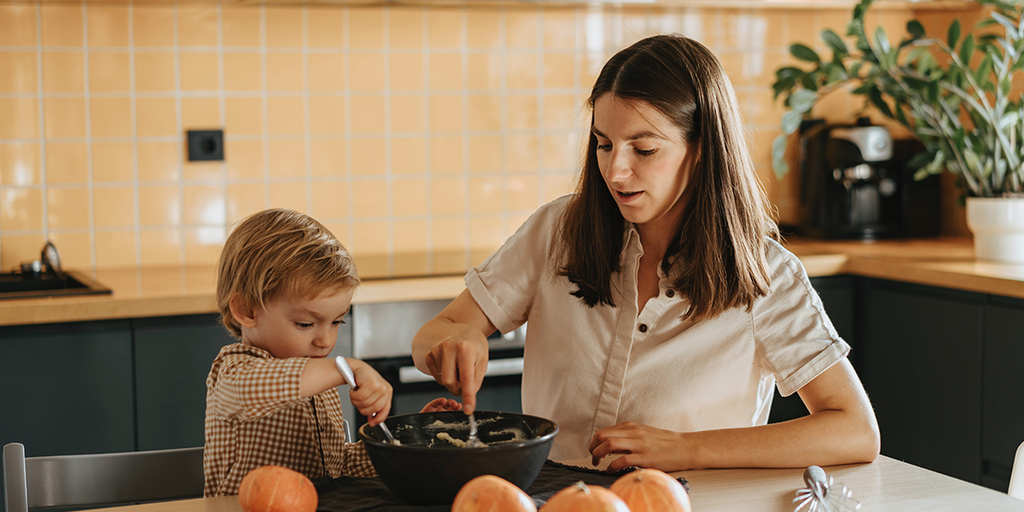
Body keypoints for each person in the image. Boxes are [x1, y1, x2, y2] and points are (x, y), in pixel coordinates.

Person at [411, 34, 880, 473]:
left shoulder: (766, 275)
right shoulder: (557, 231)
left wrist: (688, 449)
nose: (615, 171)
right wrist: (455, 340)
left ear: (702, 150)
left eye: (645, 148)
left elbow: (854, 429)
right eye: (604, 144)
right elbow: (437, 331)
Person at [204, 208, 460, 496]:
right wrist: (343, 367)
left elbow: (337, 469)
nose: (325, 341)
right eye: (305, 324)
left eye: (337, 321)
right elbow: (253, 390)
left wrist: (410, 437)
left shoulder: (320, 381)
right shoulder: (232, 371)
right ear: (246, 310)